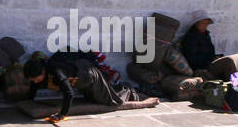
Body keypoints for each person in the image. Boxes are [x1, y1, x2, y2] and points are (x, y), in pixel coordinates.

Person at [24, 50, 156, 122]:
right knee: (95, 98)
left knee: (111, 101)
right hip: (81, 78)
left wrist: (61, 115)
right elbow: (33, 86)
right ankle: (116, 88)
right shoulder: (40, 72)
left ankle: (128, 89)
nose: (35, 82)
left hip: (90, 75)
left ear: (43, 71)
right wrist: (28, 100)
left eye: (36, 79)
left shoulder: (56, 71)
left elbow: (69, 93)